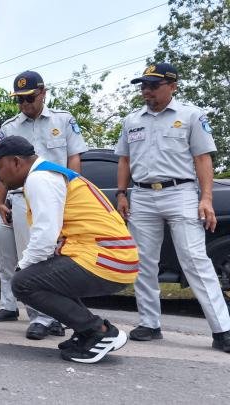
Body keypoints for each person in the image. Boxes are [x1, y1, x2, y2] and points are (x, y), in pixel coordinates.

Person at [0, 136, 136, 363]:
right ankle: (86, 332)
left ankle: (99, 332)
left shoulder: (39, 179)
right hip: (113, 257)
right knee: (45, 273)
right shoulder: (50, 174)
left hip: (106, 257)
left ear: (16, 162)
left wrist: (22, 267)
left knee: (23, 282)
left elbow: (45, 236)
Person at [115, 62, 230, 352]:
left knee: (194, 259)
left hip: (180, 193)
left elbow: (203, 159)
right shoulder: (132, 120)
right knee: (143, 262)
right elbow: (124, 160)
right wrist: (121, 193)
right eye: (143, 86)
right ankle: (150, 324)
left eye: (153, 86)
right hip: (141, 195)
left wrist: (206, 199)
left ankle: (223, 330)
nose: (146, 91)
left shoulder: (191, 116)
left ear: (172, 86)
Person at [0, 70, 88, 341]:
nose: (25, 105)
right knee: (31, 258)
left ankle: (63, 316)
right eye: (19, 100)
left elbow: (74, 160)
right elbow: (2, 172)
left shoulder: (63, 120)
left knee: (63, 259)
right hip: (24, 198)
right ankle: (41, 317)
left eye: (30, 98)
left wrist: (74, 192)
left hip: (61, 198)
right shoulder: (10, 127)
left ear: (43, 93)